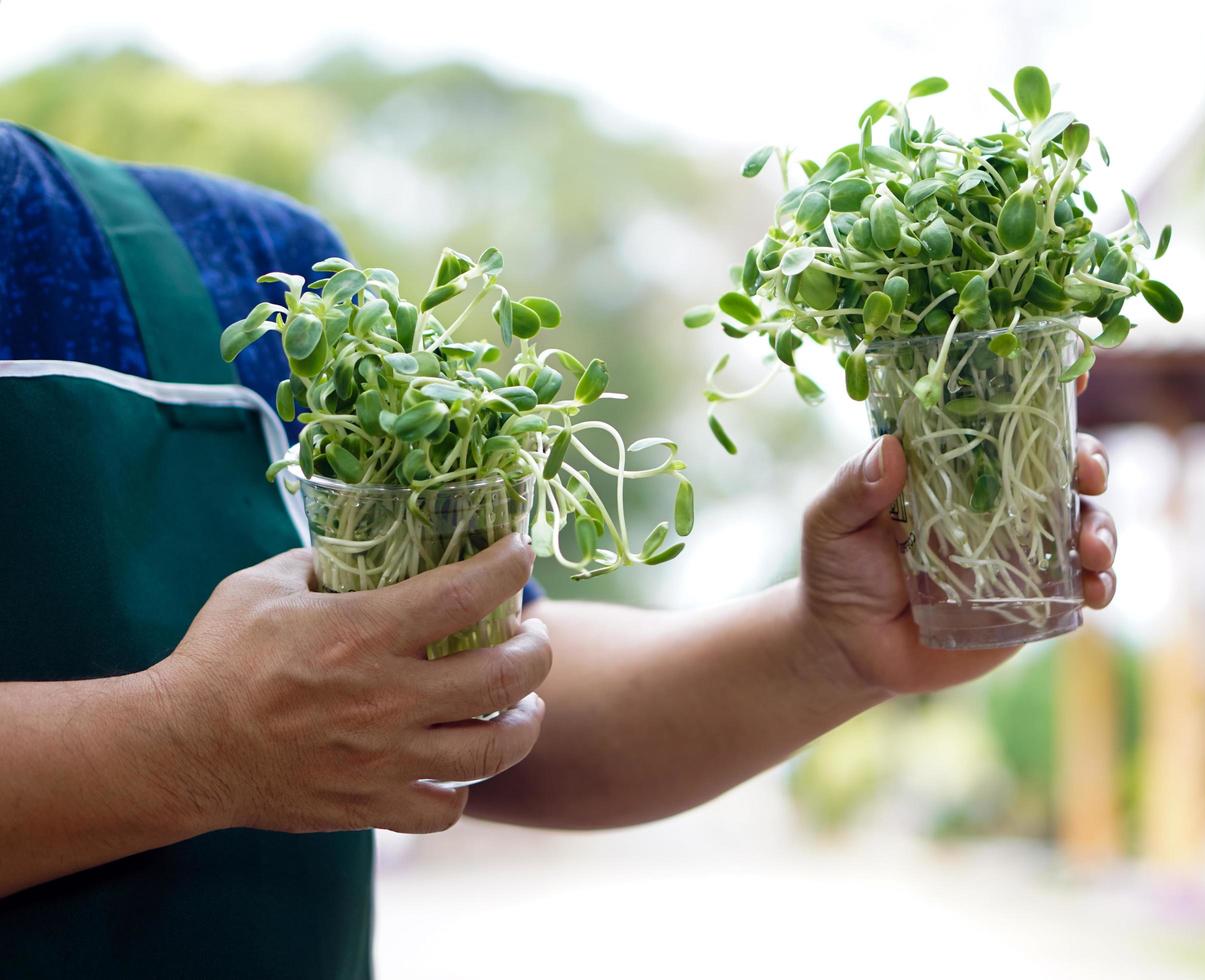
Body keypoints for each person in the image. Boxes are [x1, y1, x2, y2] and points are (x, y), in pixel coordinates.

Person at [0, 122, 1118, 978]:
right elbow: (259, 723)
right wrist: (186, 744)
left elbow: (481, 701)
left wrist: (832, 646)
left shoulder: (256, 267)